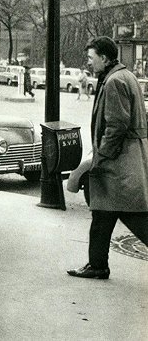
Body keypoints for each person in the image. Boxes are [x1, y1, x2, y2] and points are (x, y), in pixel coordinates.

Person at [67, 36, 148, 280]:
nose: (88, 62)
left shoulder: (114, 82)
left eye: (91, 58)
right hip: (126, 159)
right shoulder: (124, 76)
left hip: (119, 163)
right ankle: (97, 264)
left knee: (134, 216)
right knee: (102, 213)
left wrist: (100, 158)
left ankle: (97, 265)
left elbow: (116, 126)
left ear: (104, 58)